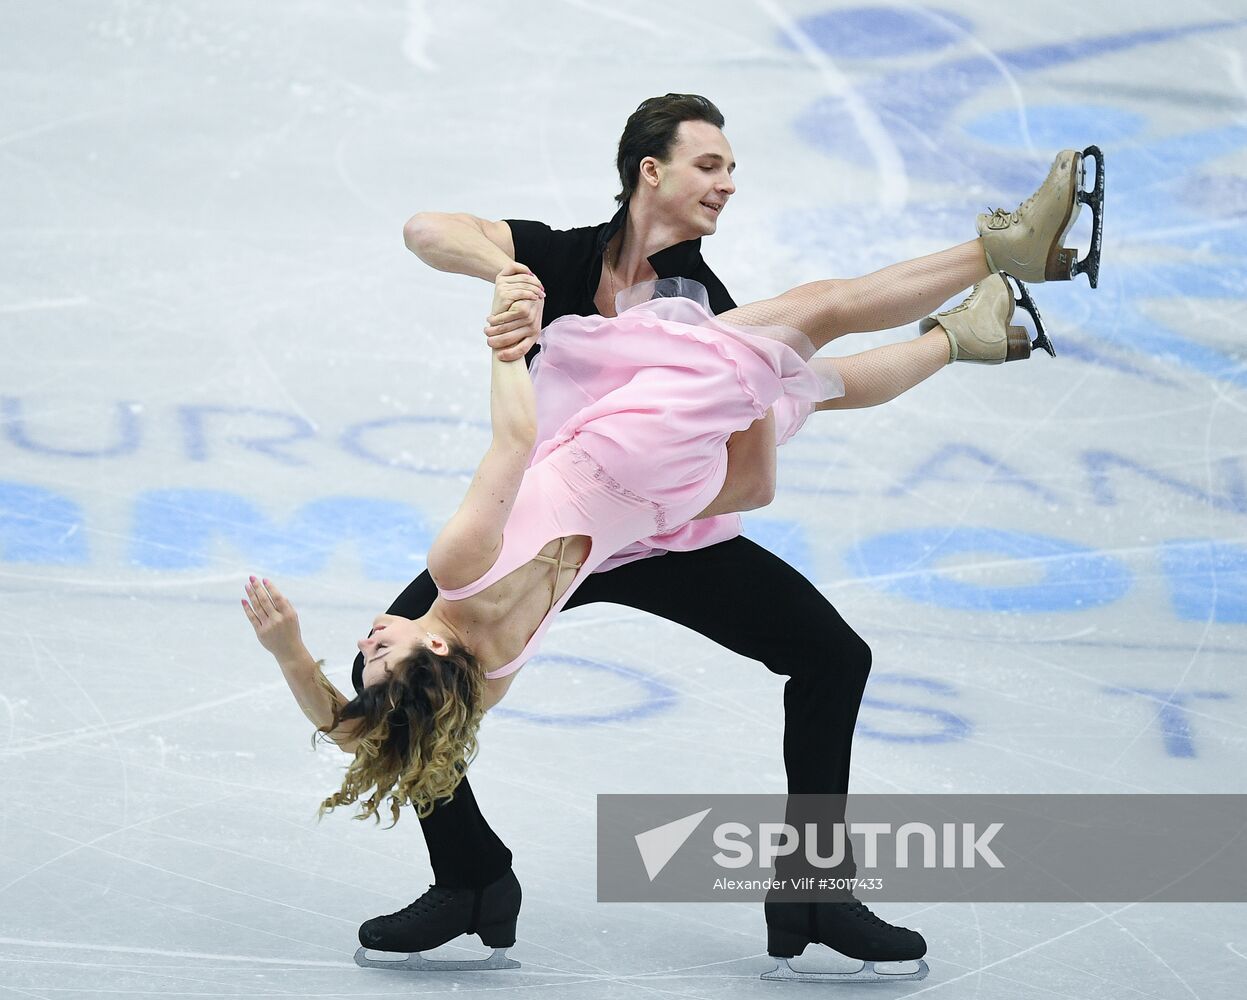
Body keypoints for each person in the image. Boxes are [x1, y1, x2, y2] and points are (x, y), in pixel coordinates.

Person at [243, 94, 1100, 980]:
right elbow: (428, 230)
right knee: (400, 697)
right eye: (709, 165)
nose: (727, 185)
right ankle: (470, 877)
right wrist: (507, 279)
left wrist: (289, 653)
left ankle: (813, 889)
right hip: (557, 529)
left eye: (729, 169)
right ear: (649, 171)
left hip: (654, 530)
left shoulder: (701, 301)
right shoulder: (563, 256)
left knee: (830, 646)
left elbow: (751, 474)